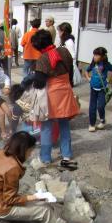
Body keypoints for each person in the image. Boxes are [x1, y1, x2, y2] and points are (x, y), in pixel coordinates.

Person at [0, 131, 88, 223]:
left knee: (43, 204)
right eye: (30, 151)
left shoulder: (0, 154)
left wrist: (35, 197)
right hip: (1, 208)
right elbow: (9, 199)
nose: (30, 154)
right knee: (44, 210)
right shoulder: (12, 168)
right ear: (24, 150)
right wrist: (34, 197)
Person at [31, 29, 79, 166]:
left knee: (46, 126)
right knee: (64, 124)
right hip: (65, 91)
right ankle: (67, 155)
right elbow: (70, 71)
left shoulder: (42, 59)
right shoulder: (64, 52)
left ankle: (46, 158)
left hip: (51, 95)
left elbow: (39, 83)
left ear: (39, 46)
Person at [85, 47, 112, 132]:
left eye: (97, 55)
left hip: (102, 89)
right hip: (93, 88)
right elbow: (86, 71)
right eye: (94, 55)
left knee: (100, 106)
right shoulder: (93, 64)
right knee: (92, 107)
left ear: (102, 56)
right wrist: (88, 78)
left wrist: (108, 79)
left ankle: (102, 120)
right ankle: (92, 124)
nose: (95, 56)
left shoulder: (106, 64)